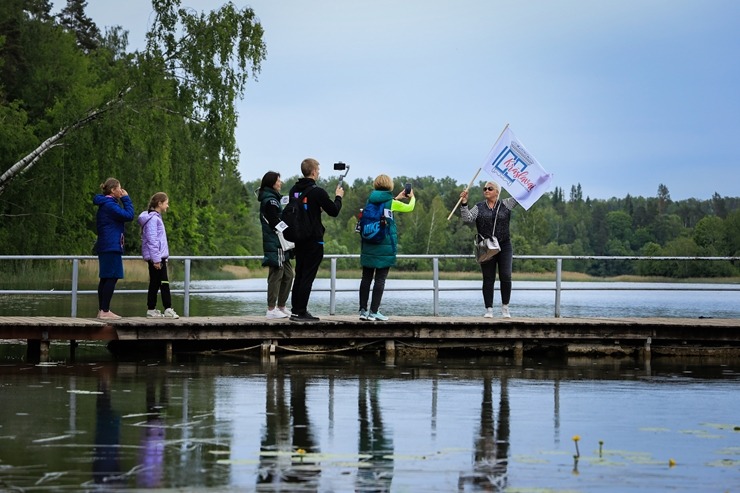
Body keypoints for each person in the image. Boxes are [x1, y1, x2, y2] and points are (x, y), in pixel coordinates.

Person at [288, 158, 344, 322]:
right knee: (308, 276)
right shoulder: (317, 191)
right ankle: (302, 311)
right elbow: (333, 211)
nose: (318, 173)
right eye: (318, 170)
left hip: (299, 238)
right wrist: (338, 197)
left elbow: (303, 209)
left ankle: (295, 310)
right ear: (313, 171)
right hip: (313, 239)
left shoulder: (294, 190)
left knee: (299, 274)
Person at [358, 174, 415, 321]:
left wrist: (397, 198)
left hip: (369, 244)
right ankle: (374, 312)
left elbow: (383, 206)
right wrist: (412, 197)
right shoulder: (391, 203)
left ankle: (363, 311)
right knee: (380, 279)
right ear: (390, 186)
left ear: (375, 185)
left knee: (366, 278)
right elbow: (409, 208)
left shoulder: (369, 201)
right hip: (384, 246)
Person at [459, 181, 517, 318]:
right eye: (484, 188)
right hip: (486, 247)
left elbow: (522, 196)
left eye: (490, 189)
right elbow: (467, 218)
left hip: (504, 245)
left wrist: (534, 183)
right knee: (488, 278)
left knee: (506, 276)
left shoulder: (506, 204)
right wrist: (464, 203)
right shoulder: (479, 207)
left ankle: (505, 308)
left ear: (497, 191)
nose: (486, 190)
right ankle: (489, 310)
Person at [93, 178, 134, 319]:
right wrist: (126, 199)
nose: (121, 190)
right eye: (119, 188)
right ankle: (105, 311)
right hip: (111, 245)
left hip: (106, 245)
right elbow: (129, 216)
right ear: (113, 190)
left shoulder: (105, 203)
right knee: (112, 276)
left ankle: (102, 310)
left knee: (106, 277)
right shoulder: (110, 205)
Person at [258, 171, 294, 319]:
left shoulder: (274, 199)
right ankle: (271, 309)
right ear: (272, 183)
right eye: (279, 180)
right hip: (276, 243)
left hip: (280, 244)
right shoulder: (271, 201)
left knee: (289, 275)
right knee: (276, 274)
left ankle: (281, 306)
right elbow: (274, 221)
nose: (281, 183)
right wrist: (290, 231)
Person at [138, 192, 179, 319]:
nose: (168, 206)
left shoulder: (154, 218)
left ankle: (151, 309)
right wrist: (157, 260)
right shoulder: (153, 219)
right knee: (164, 282)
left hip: (158, 257)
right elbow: (152, 240)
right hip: (156, 258)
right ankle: (167, 309)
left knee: (155, 283)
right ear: (159, 203)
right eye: (166, 203)